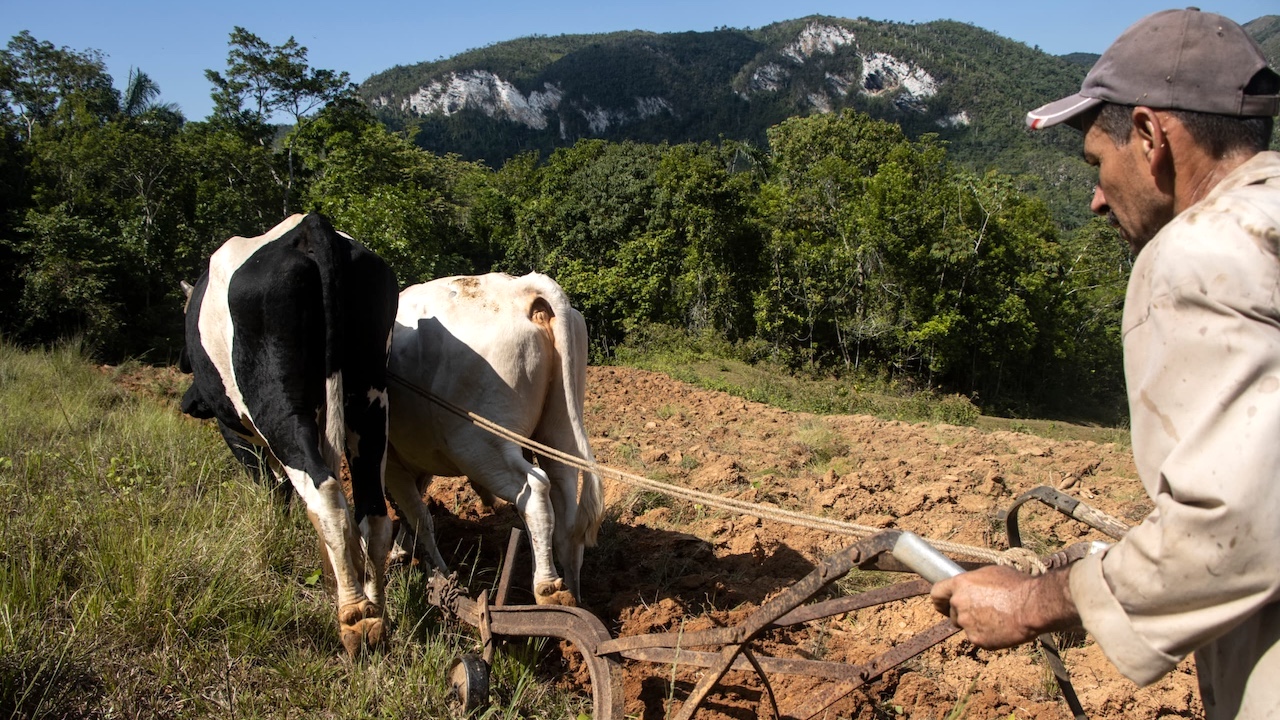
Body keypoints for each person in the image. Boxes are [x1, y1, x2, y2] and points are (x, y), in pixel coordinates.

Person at [929, 8, 1280, 719]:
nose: (1094, 199)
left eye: (1097, 162)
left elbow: (1233, 523)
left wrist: (1032, 602)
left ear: (1151, 136)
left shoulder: (1196, 254)